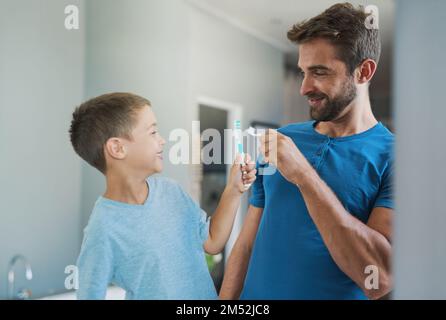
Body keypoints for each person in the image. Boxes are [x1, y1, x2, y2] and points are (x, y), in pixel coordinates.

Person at [220, 3, 393, 300]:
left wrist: (304, 175)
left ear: (363, 71)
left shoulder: (396, 158)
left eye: (319, 72)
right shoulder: (282, 140)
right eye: (302, 72)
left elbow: (378, 279)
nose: (304, 87)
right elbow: (247, 243)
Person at [69, 92, 256, 299]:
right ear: (117, 148)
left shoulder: (171, 192)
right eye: (153, 132)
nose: (163, 140)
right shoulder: (102, 229)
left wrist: (233, 189)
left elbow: (212, 241)